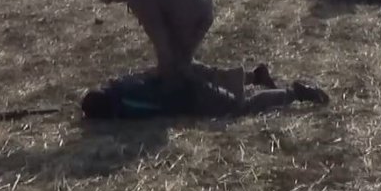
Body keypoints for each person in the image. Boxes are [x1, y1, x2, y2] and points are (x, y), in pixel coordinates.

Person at [92, 0, 219, 89]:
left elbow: (160, 38)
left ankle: (223, 97)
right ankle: (233, 78)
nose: (117, 1)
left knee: (178, 69)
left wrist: (163, 74)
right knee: (182, 60)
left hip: (194, 15)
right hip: (204, 0)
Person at [80, 63, 330, 120]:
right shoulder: (120, 85)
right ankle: (255, 76)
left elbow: (158, 108)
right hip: (180, 72)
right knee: (217, 75)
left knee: (239, 108)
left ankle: (295, 94)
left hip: (191, 96)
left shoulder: (125, 103)